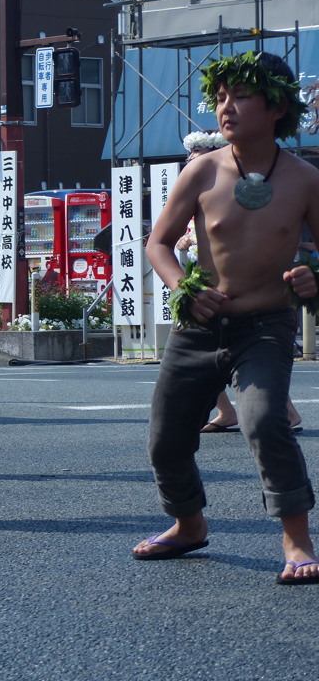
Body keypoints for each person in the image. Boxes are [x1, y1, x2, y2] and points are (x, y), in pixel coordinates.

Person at [137, 50, 319, 585]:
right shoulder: (203, 170)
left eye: (240, 96)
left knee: (265, 420)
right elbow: (159, 244)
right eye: (220, 98)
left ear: (277, 107)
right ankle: (188, 524)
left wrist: (314, 281)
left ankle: (297, 540)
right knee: (165, 436)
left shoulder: (306, 180)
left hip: (265, 326)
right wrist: (184, 287)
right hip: (198, 325)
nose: (226, 107)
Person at [175, 131, 303, 435]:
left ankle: (286, 411)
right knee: (209, 357)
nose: (193, 165)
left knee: (251, 358)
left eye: (200, 158)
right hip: (199, 289)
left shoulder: (240, 187)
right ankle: (226, 410)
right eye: (190, 160)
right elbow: (163, 241)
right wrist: (185, 244)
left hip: (243, 297)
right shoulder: (196, 188)